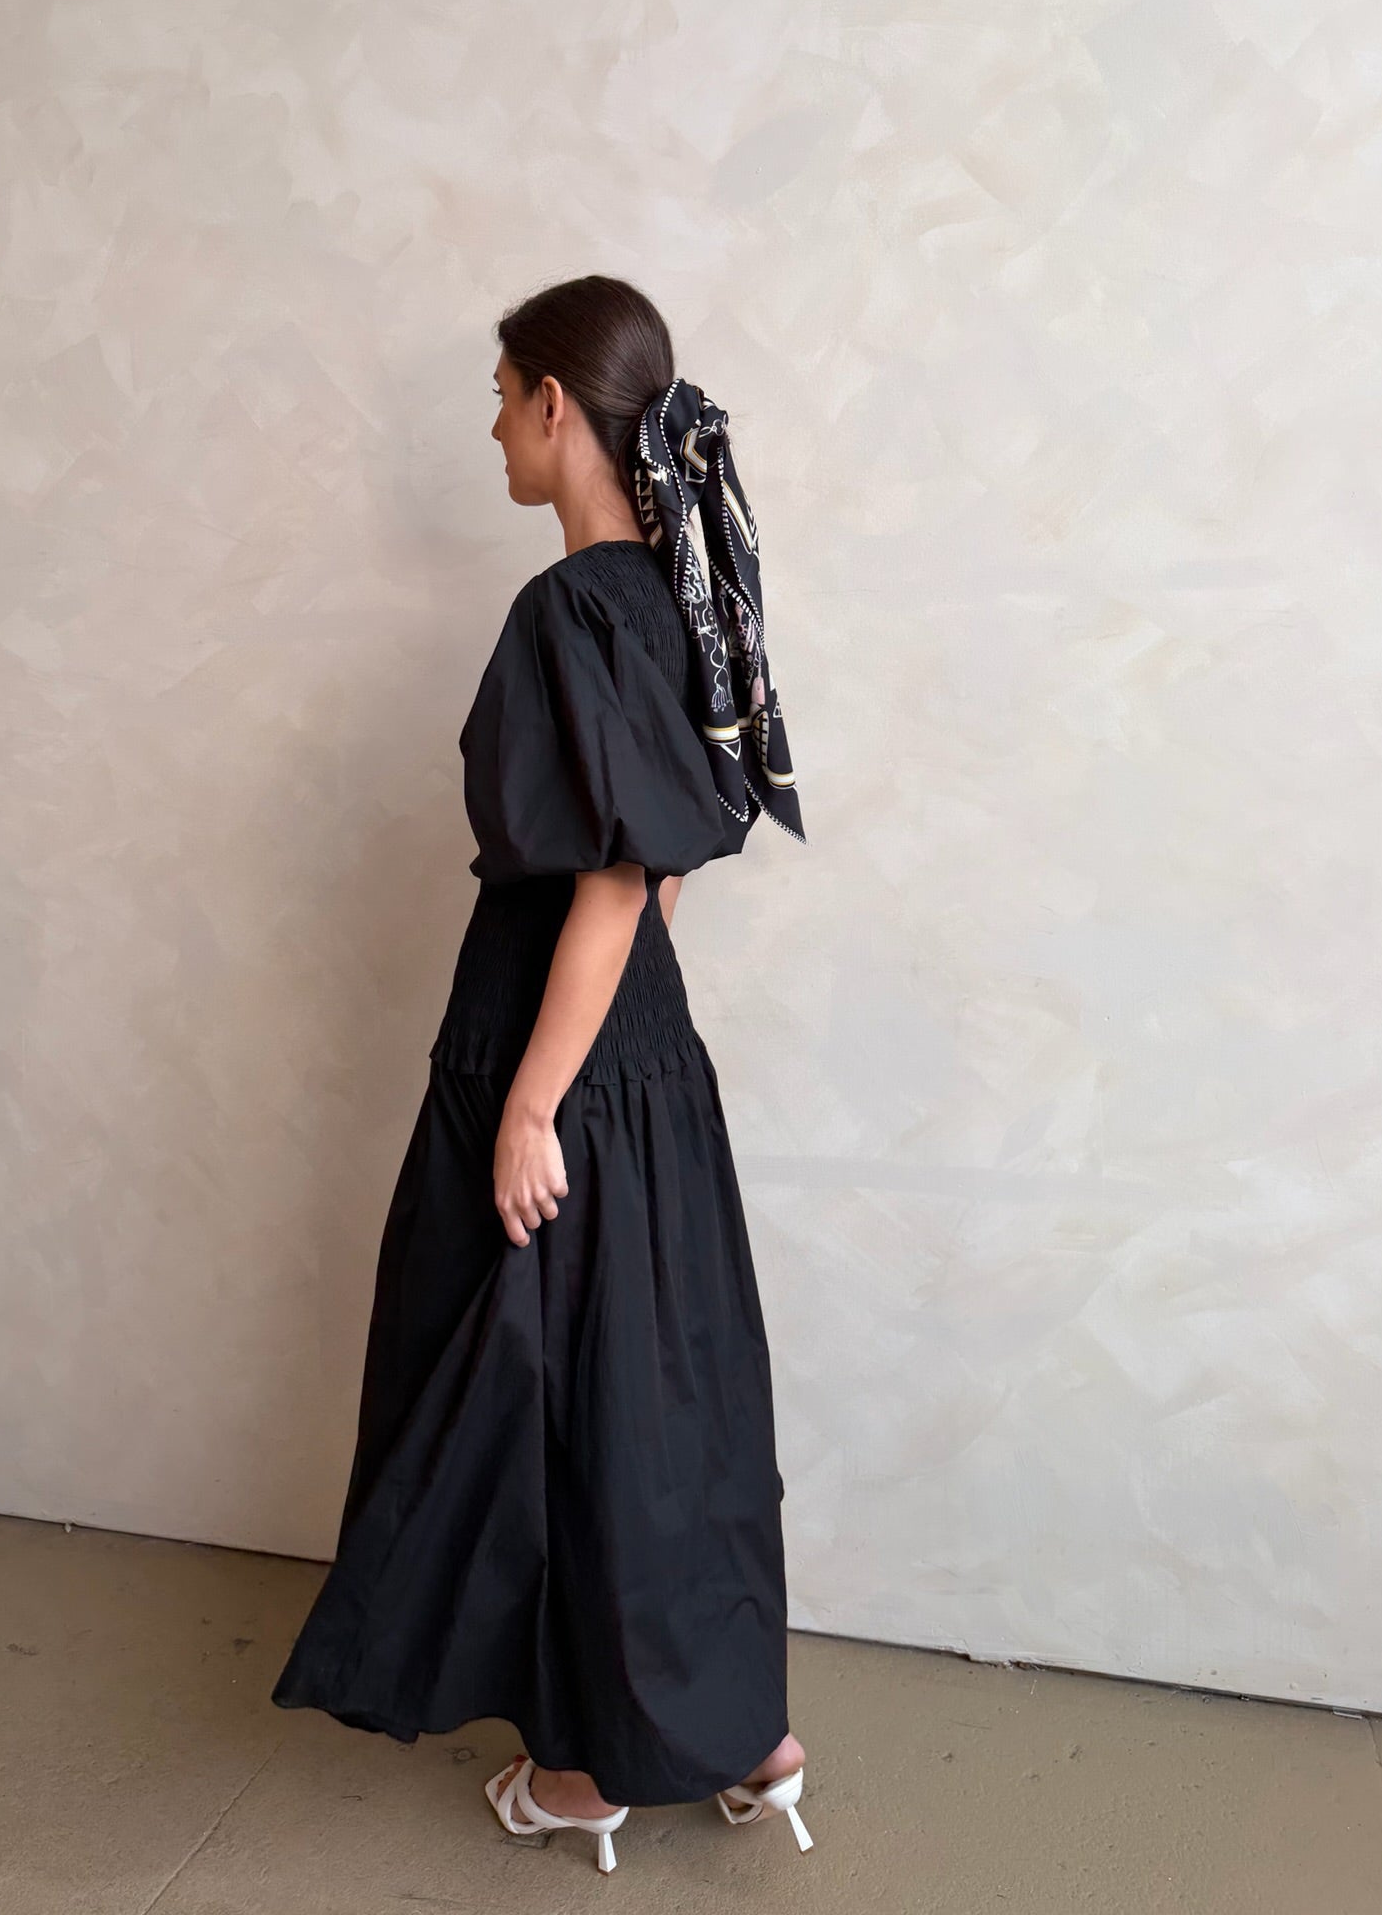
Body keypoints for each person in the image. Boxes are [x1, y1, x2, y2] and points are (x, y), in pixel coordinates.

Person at [270, 274, 812, 1874]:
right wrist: (598, 1061)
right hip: (644, 1055)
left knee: (540, 1406)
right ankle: (747, 1734)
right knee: (657, 1395)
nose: (494, 428)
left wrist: (528, 1101)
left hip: (555, 1050)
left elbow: (615, 878)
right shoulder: (676, 595)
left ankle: (587, 1769)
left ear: (558, 406)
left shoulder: (570, 610)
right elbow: (661, 871)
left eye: (504, 398)